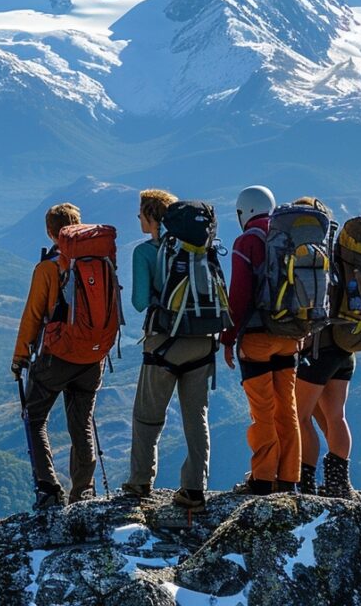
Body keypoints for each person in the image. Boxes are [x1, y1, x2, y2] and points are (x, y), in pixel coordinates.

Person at [122, 190, 214, 512]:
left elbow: (139, 302)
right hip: (203, 340)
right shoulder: (201, 250)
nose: (138, 219)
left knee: (147, 415)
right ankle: (194, 491)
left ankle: (140, 482)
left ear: (151, 217)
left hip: (165, 342)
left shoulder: (145, 252)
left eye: (140, 214)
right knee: (196, 417)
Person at [11, 202, 102, 508]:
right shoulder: (99, 263)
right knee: (82, 423)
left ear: (50, 232)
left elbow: (33, 316)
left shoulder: (48, 269)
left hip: (56, 356)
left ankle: (49, 490)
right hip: (92, 357)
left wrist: (19, 358)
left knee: (34, 418)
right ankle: (84, 492)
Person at [222, 185, 301, 494]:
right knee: (287, 407)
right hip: (290, 336)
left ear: (244, 211)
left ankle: (263, 479)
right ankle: (289, 479)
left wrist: (228, 339)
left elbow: (239, 297)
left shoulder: (247, 241)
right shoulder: (290, 237)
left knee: (262, 411)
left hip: (257, 338)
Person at [292, 197, 354, 498]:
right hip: (344, 347)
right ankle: (338, 483)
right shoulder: (344, 254)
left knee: (299, 415)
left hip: (316, 351)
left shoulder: (310, 256)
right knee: (335, 416)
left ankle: (304, 482)